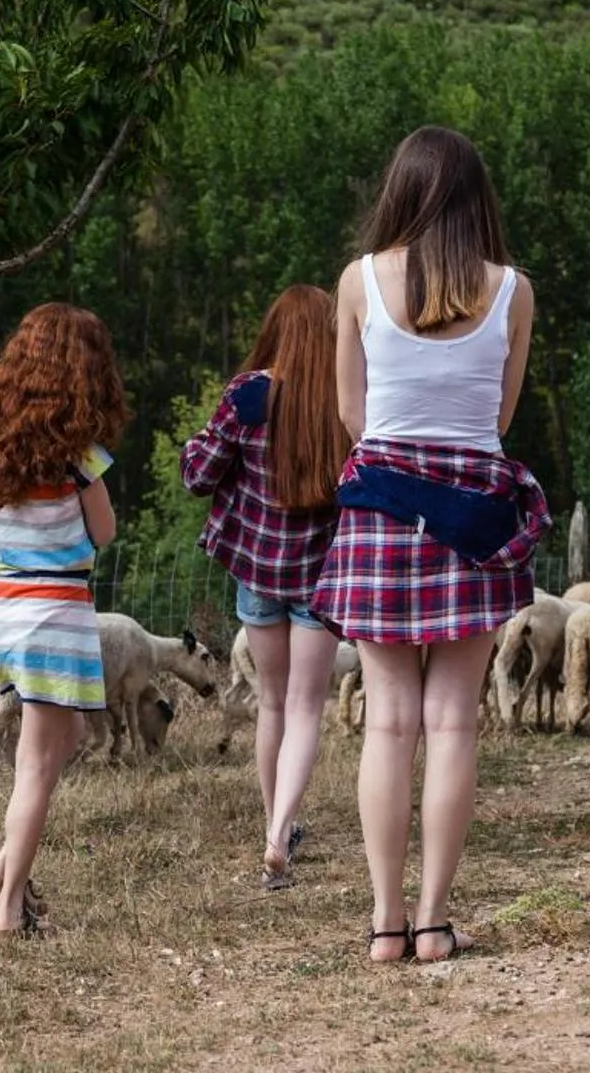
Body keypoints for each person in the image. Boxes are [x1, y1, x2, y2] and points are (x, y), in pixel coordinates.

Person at [311, 126, 548, 965]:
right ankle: (436, 922)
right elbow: (501, 419)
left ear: (401, 192)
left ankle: (383, 923)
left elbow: (351, 415)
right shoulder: (513, 291)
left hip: (380, 512)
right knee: (453, 723)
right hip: (474, 513)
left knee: (389, 726)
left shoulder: (356, 283)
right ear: (478, 197)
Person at [0, 303, 129, 937]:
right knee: (38, 762)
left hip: (1, 609)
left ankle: (4, 866)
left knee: (63, 740)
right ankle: (10, 906)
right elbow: (105, 532)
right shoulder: (79, 456)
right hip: (57, 609)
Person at [181, 284, 348, 893]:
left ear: (274, 330)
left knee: (271, 705)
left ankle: (275, 830)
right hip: (319, 578)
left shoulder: (247, 395)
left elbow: (198, 474)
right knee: (307, 709)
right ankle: (280, 836)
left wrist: (216, 438)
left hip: (257, 572)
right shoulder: (345, 401)